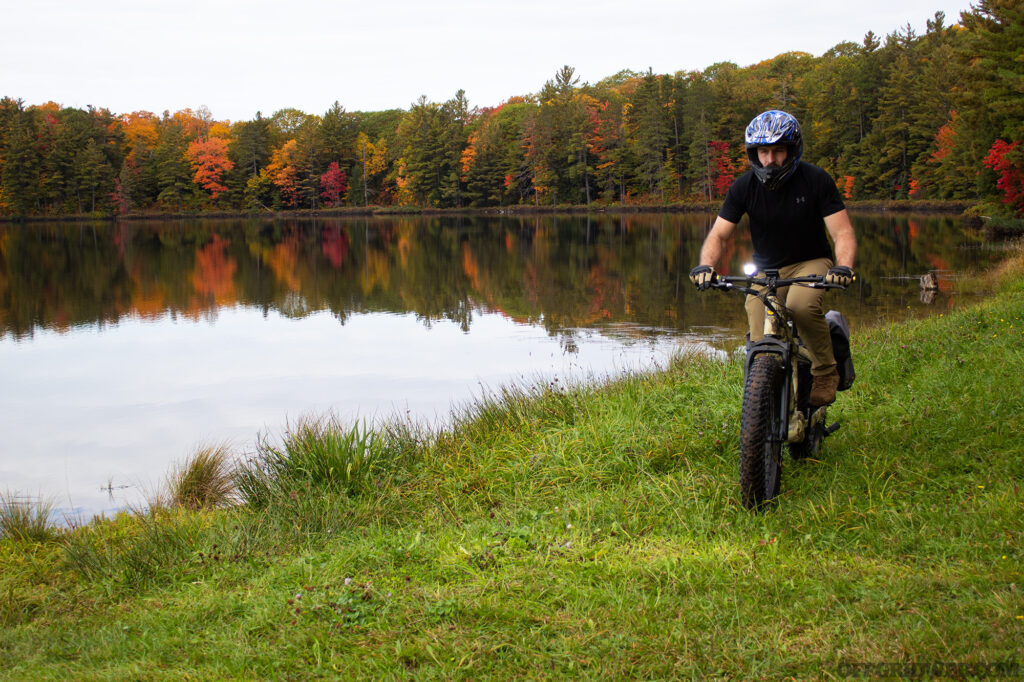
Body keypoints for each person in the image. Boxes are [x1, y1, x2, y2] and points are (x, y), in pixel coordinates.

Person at [689, 110, 857, 407]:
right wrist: (707, 266)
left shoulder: (815, 180)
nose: (770, 159)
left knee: (799, 306)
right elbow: (719, 235)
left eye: (778, 150)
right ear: (754, 153)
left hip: (811, 262)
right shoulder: (743, 187)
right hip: (766, 270)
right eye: (763, 151)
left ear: (791, 150)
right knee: (757, 328)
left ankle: (825, 371)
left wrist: (843, 266)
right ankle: (762, 400)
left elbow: (842, 233)